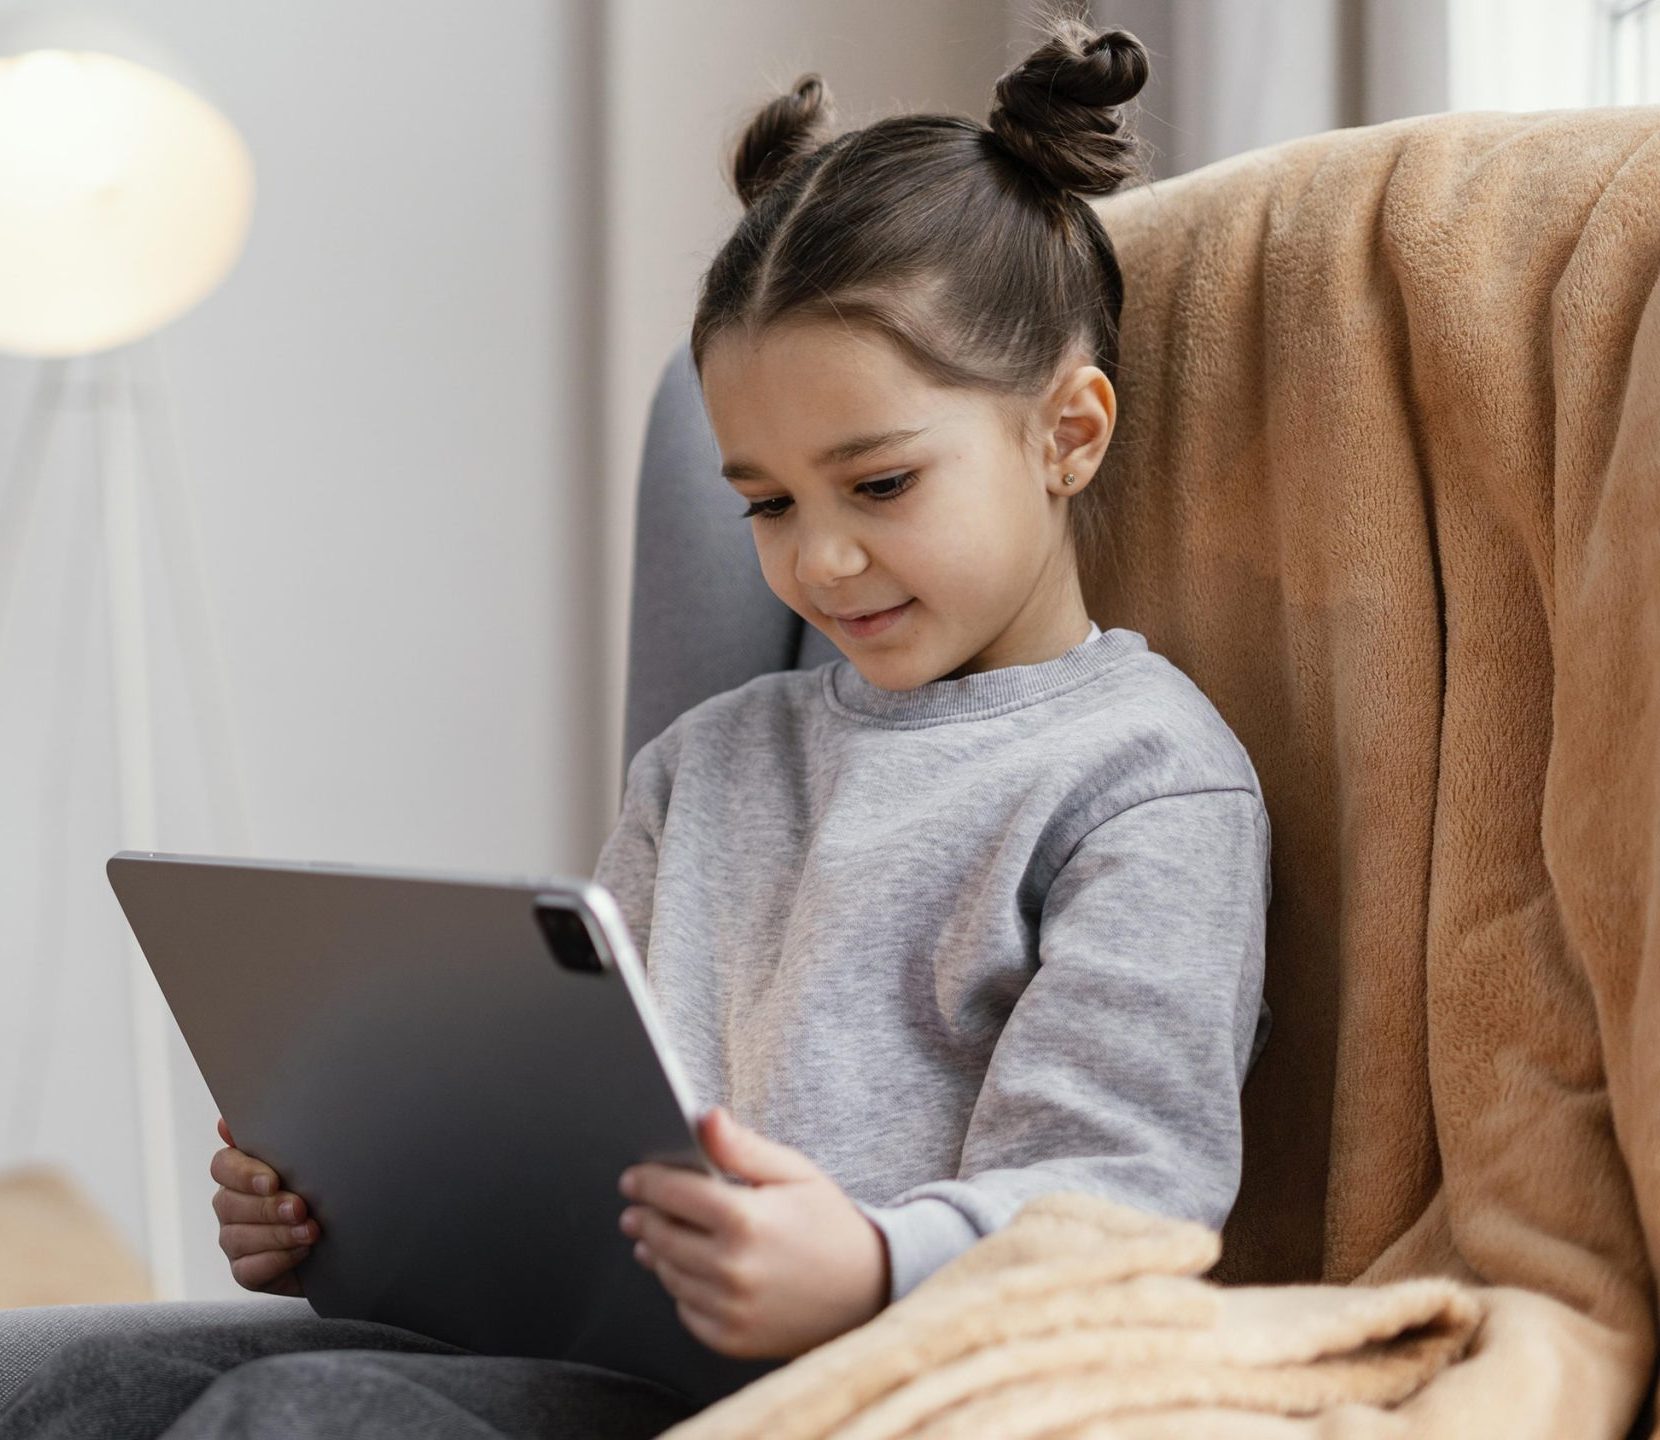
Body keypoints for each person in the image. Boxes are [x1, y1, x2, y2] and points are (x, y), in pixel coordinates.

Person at [0, 8, 1272, 1436]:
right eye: (768, 503)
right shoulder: (709, 765)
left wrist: (863, 1266)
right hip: (602, 1356)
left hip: (859, 1388)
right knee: (49, 1384)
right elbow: (577, 1147)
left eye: (881, 485)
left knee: (308, 1416)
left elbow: (1119, 1207)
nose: (821, 560)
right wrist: (343, 1213)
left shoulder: (1142, 782)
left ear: (1068, 434)